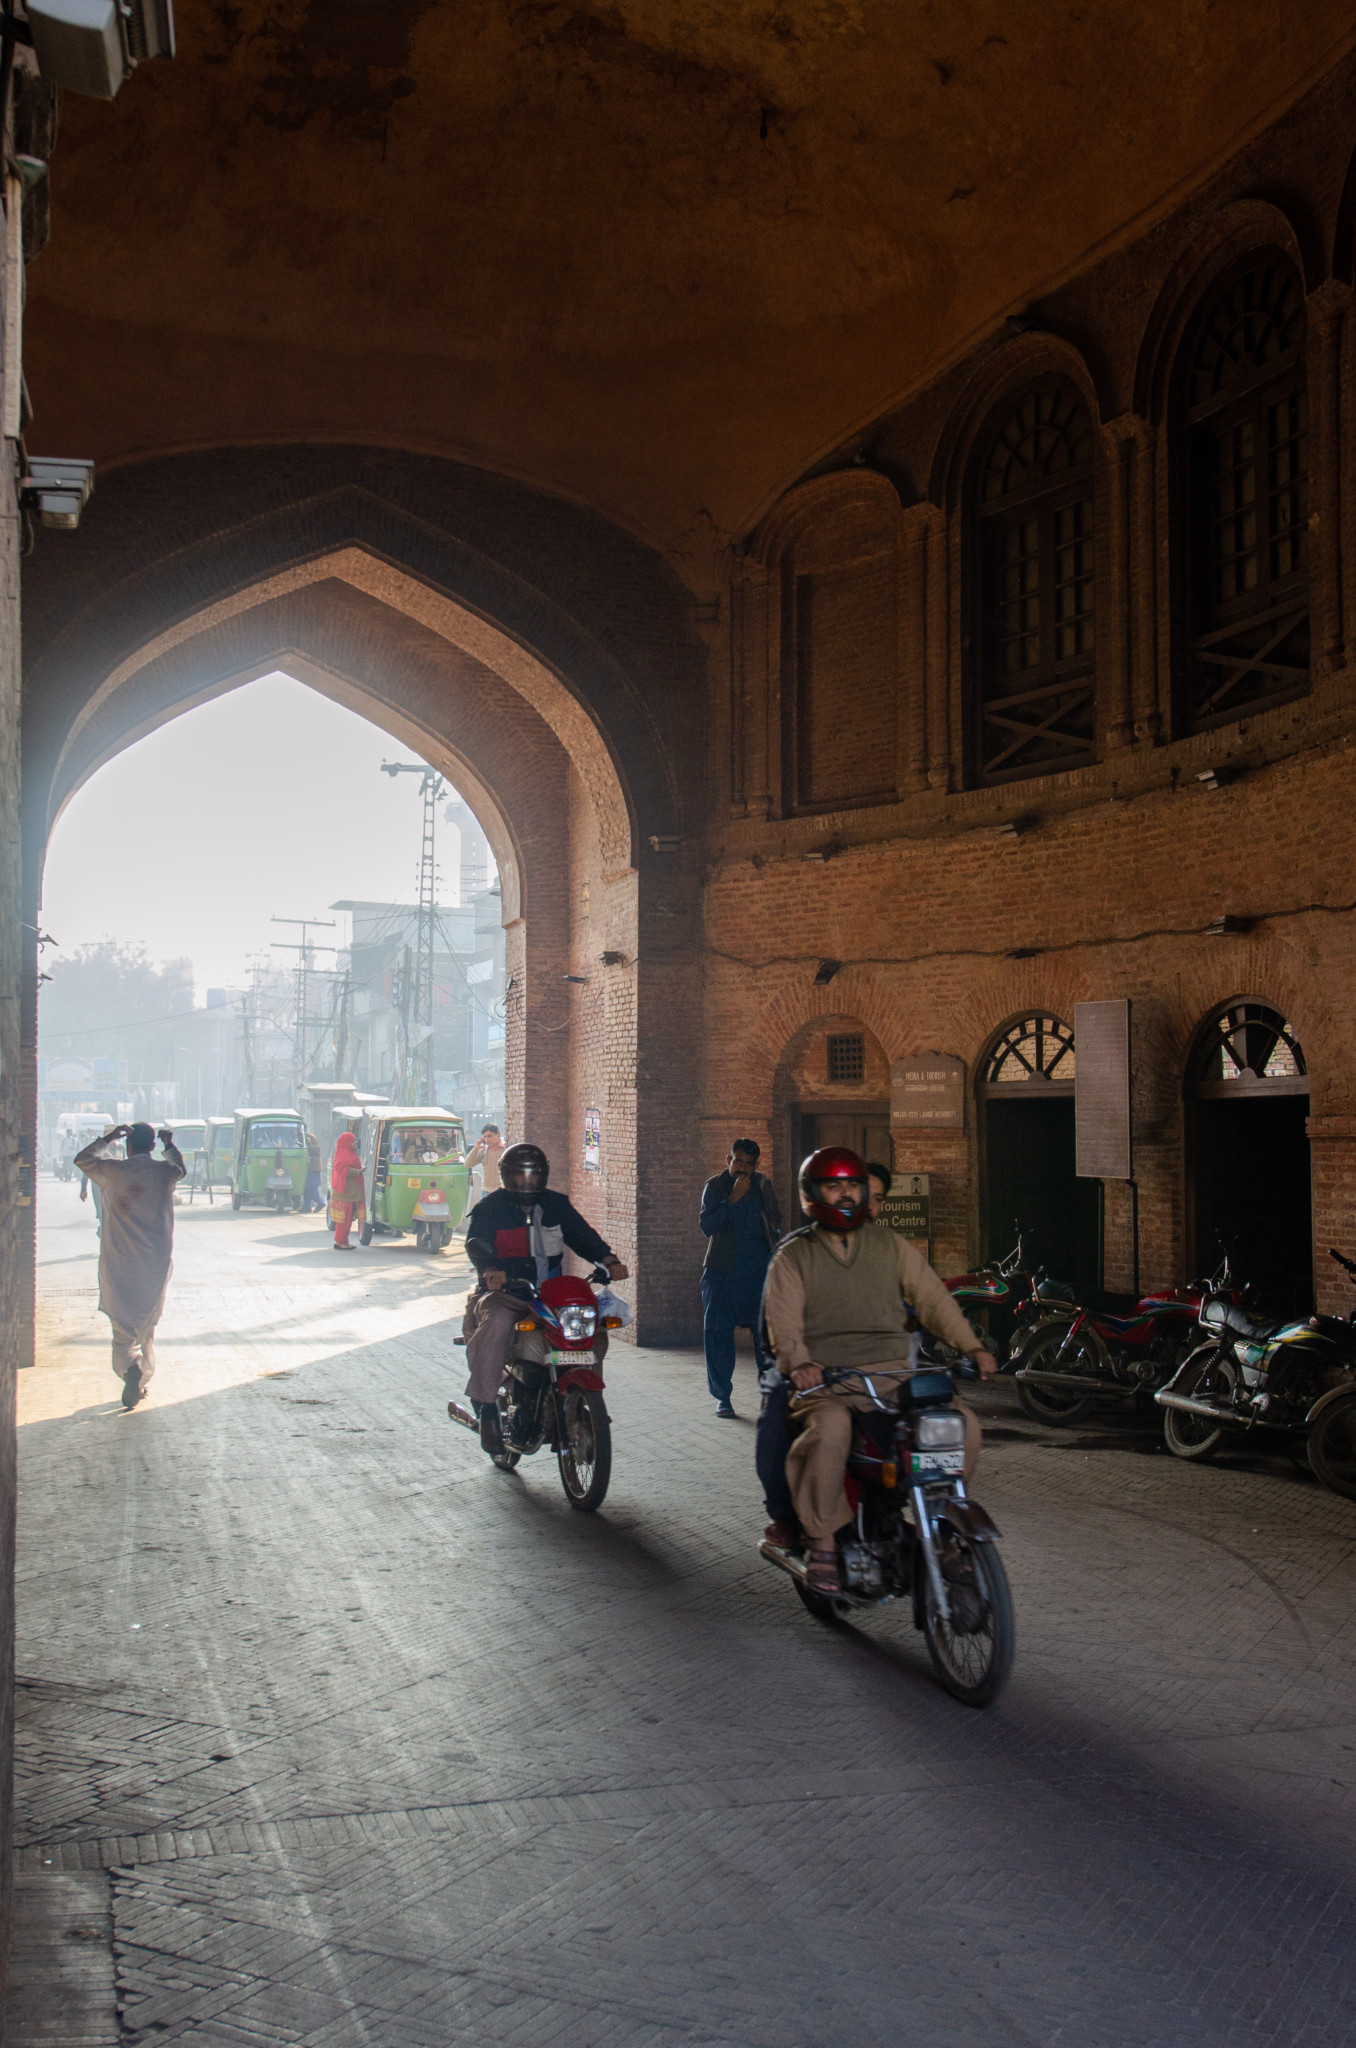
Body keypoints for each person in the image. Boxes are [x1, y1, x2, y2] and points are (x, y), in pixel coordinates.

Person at [763, 1147, 997, 1593]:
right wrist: (799, 1364)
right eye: (834, 1186)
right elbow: (784, 1324)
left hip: (892, 1375)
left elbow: (932, 1299)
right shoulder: (793, 1256)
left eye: (852, 1185)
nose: (846, 1195)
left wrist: (971, 1345)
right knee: (830, 1429)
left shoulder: (890, 1245)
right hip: (826, 1379)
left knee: (956, 1421)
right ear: (813, 1194)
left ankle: (944, 1516)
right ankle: (824, 1539)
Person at [72, 1121, 185, 1410]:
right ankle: (142, 1377)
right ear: (151, 1146)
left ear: (129, 1146)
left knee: (122, 1328)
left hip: (119, 1261)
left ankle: (129, 1369)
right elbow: (180, 1168)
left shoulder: (113, 1172)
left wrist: (108, 1138)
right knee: (147, 1323)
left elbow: (83, 1159)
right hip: (155, 1263)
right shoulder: (164, 1173)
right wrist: (169, 1145)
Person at [464, 1142, 628, 1291]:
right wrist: (489, 1269)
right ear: (506, 1175)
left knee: (591, 1319)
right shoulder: (489, 1208)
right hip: (503, 1292)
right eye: (519, 1175)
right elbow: (477, 1243)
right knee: (497, 1322)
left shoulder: (556, 1204)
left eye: (534, 1175)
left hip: (551, 1292)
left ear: (543, 1175)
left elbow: (583, 1237)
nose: (527, 1181)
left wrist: (608, 1260)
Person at [699, 1138, 781, 1419]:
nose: (742, 1169)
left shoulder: (762, 1187)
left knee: (766, 1340)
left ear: (755, 1165)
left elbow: (775, 1223)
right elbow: (708, 1226)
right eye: (738, 1162)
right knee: (718, 1335)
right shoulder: (715, 1186)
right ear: (728, 1160)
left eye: (749, 1164)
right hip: (722, 1273)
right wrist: (731, 1200)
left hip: (757, 1273)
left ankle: (771, 1398)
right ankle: (723, 1398)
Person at [330, 1130, 366, 1249]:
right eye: (353, 1140)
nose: (356, 1142)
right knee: (344, 1220)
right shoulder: (343, 1154)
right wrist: (359, 1171)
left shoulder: (350, 1153)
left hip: (350, 1193)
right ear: (347, 1142)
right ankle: (340, 1242)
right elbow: (345, 1170)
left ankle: (344, 1241)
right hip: (345, 1193)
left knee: (348, 1219)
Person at [303, 1129, 324, 1213]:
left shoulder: (311, 1138)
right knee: (306, 1187)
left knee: (312, 1187)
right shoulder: (300, 1137)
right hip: (307, 1167)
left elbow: (316, 1150)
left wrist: (309, 1143)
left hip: (314, 1167)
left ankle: (320, 1202)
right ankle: (307, 1206)